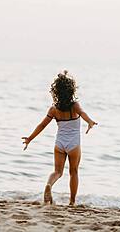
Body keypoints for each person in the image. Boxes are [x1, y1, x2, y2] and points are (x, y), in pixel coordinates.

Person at [21, 70, 97, 205]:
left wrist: (30, 139)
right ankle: (72, 202)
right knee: (73, 172)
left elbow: (42, 125)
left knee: (57, 171)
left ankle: (49, 185)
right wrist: (89, 122)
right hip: (73, 145)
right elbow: (83, 113)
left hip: (59, 144)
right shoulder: (75, 106)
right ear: (71, 90)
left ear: (56, 91)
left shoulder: (54, 109)